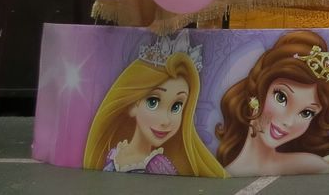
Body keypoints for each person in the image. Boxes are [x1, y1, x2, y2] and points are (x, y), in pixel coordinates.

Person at [215, 31, 329, 175]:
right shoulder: (215, 167)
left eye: (306, 113)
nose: (288, 122)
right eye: (281, 98)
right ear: (259, 90)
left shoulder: (313, 165)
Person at [83, 32, 226, 177]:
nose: (165, 121)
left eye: (176, 107)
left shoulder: (157, 164)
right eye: (153, 102)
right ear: (133, 105)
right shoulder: (115, 153)